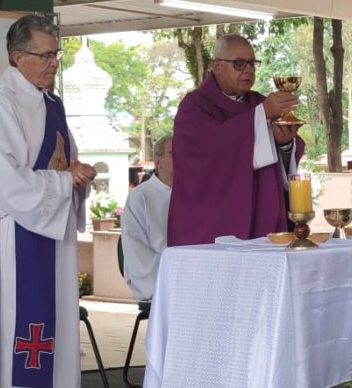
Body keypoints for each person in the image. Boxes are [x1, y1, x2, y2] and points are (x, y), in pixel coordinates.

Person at [0, 15, 96, 388]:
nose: (54, 62)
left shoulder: (52, 103)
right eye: (46, 55)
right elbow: (7, 182)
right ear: (19, 57)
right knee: (21, 337)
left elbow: (65, 160)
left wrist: (77, 174)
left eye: (56, 54)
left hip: (55, 235)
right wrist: (64, 180)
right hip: (19, 237)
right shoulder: (0, 105)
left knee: (58, 332)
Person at [168, 33, 304, 246]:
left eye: (252, 63)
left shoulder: (259, 103)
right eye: (239, 63)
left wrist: (284, 144)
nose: (248, 70)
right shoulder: (195, 107)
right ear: (217, 66)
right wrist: (261, 115)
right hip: (212, 227)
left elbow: (285, 159)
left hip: (262, 221)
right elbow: (208, 153)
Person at [121, 134, 173, 302]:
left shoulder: (195, 196)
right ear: (158, 162)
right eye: (174, 153)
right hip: (157, 278)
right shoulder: (140, 197)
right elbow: (136, 252)